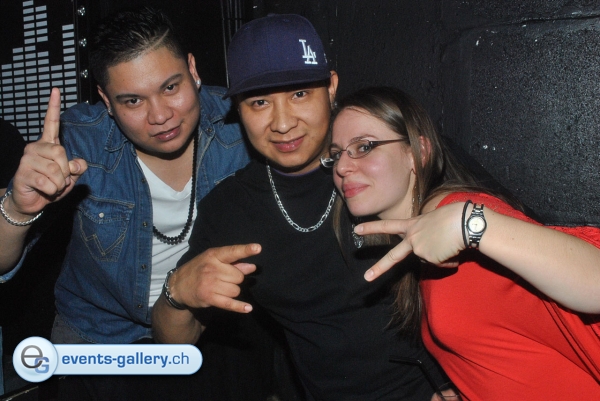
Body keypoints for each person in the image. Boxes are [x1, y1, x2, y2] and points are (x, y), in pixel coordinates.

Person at [153, 14, 455, 401]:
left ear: (331, 88)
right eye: (259, 102)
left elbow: (499, 249)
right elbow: (174, 345)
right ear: (238, 109)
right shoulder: (231, 210)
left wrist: (463, 383)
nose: (283, 123)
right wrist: (177, 291)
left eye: (299, 94)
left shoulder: (390, 153)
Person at [0, 6, 257, 399]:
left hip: (207, 327)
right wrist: (17, 209)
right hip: (98, 338)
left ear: (192, 69)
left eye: (170, 87)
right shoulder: (81, 142)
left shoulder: (240, 125)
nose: (161, 116)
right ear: (106, 100)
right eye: (133, 101)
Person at [326, 86, 600, 400]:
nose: (342, 167)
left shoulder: (456, 215)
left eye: (363, 147)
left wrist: (470, 224)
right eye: (336, 154)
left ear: (418, 153)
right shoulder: (428, 243)